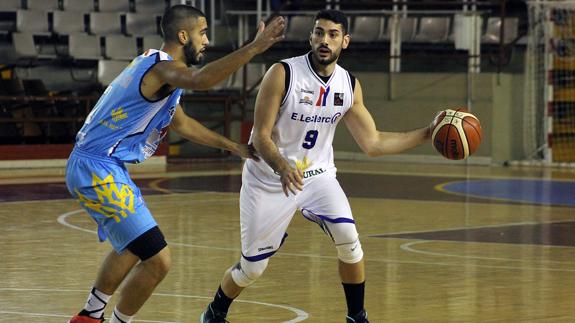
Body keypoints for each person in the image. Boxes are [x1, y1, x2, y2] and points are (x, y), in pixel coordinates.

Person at [201, 9, 440, 323]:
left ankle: (357, 317)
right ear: (310, 36)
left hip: (318, 175)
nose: (324, 40)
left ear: (345, 41)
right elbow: (259, 137)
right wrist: (282, 166)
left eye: (332, 34)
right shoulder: (283, 73)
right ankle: (216, 311)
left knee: (349, 240)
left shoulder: (349, 86)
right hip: (269, 179)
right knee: (252, 268)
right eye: (318, 32)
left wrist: (428, 132)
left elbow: (374, 143)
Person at [66, 5, 285, 323]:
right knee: (158, 260)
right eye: (203, 32)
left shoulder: (156, 68)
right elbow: (202, 79)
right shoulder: (162, 69)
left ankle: (90, 315)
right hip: (96, 168)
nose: (207, 40)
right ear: (184, 36)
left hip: (100, 166)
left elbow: (181, 124)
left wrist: (232, 146)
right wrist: (254, 47)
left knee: (132, 245)